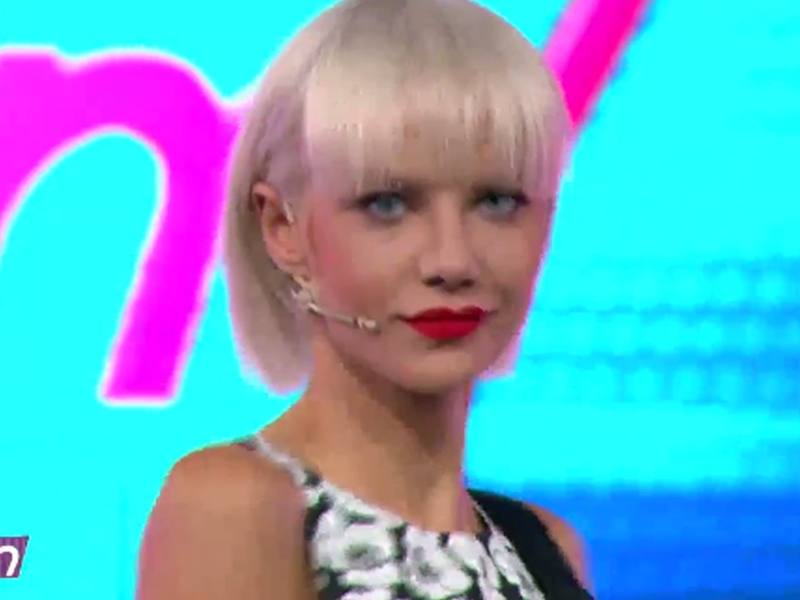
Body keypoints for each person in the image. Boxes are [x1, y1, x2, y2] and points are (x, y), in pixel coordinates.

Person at [135, 0, 594, 598]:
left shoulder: (545, 546)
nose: (452, 260)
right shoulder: (234, 507)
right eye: (388, 204)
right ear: (282, 227)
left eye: (497, 202)